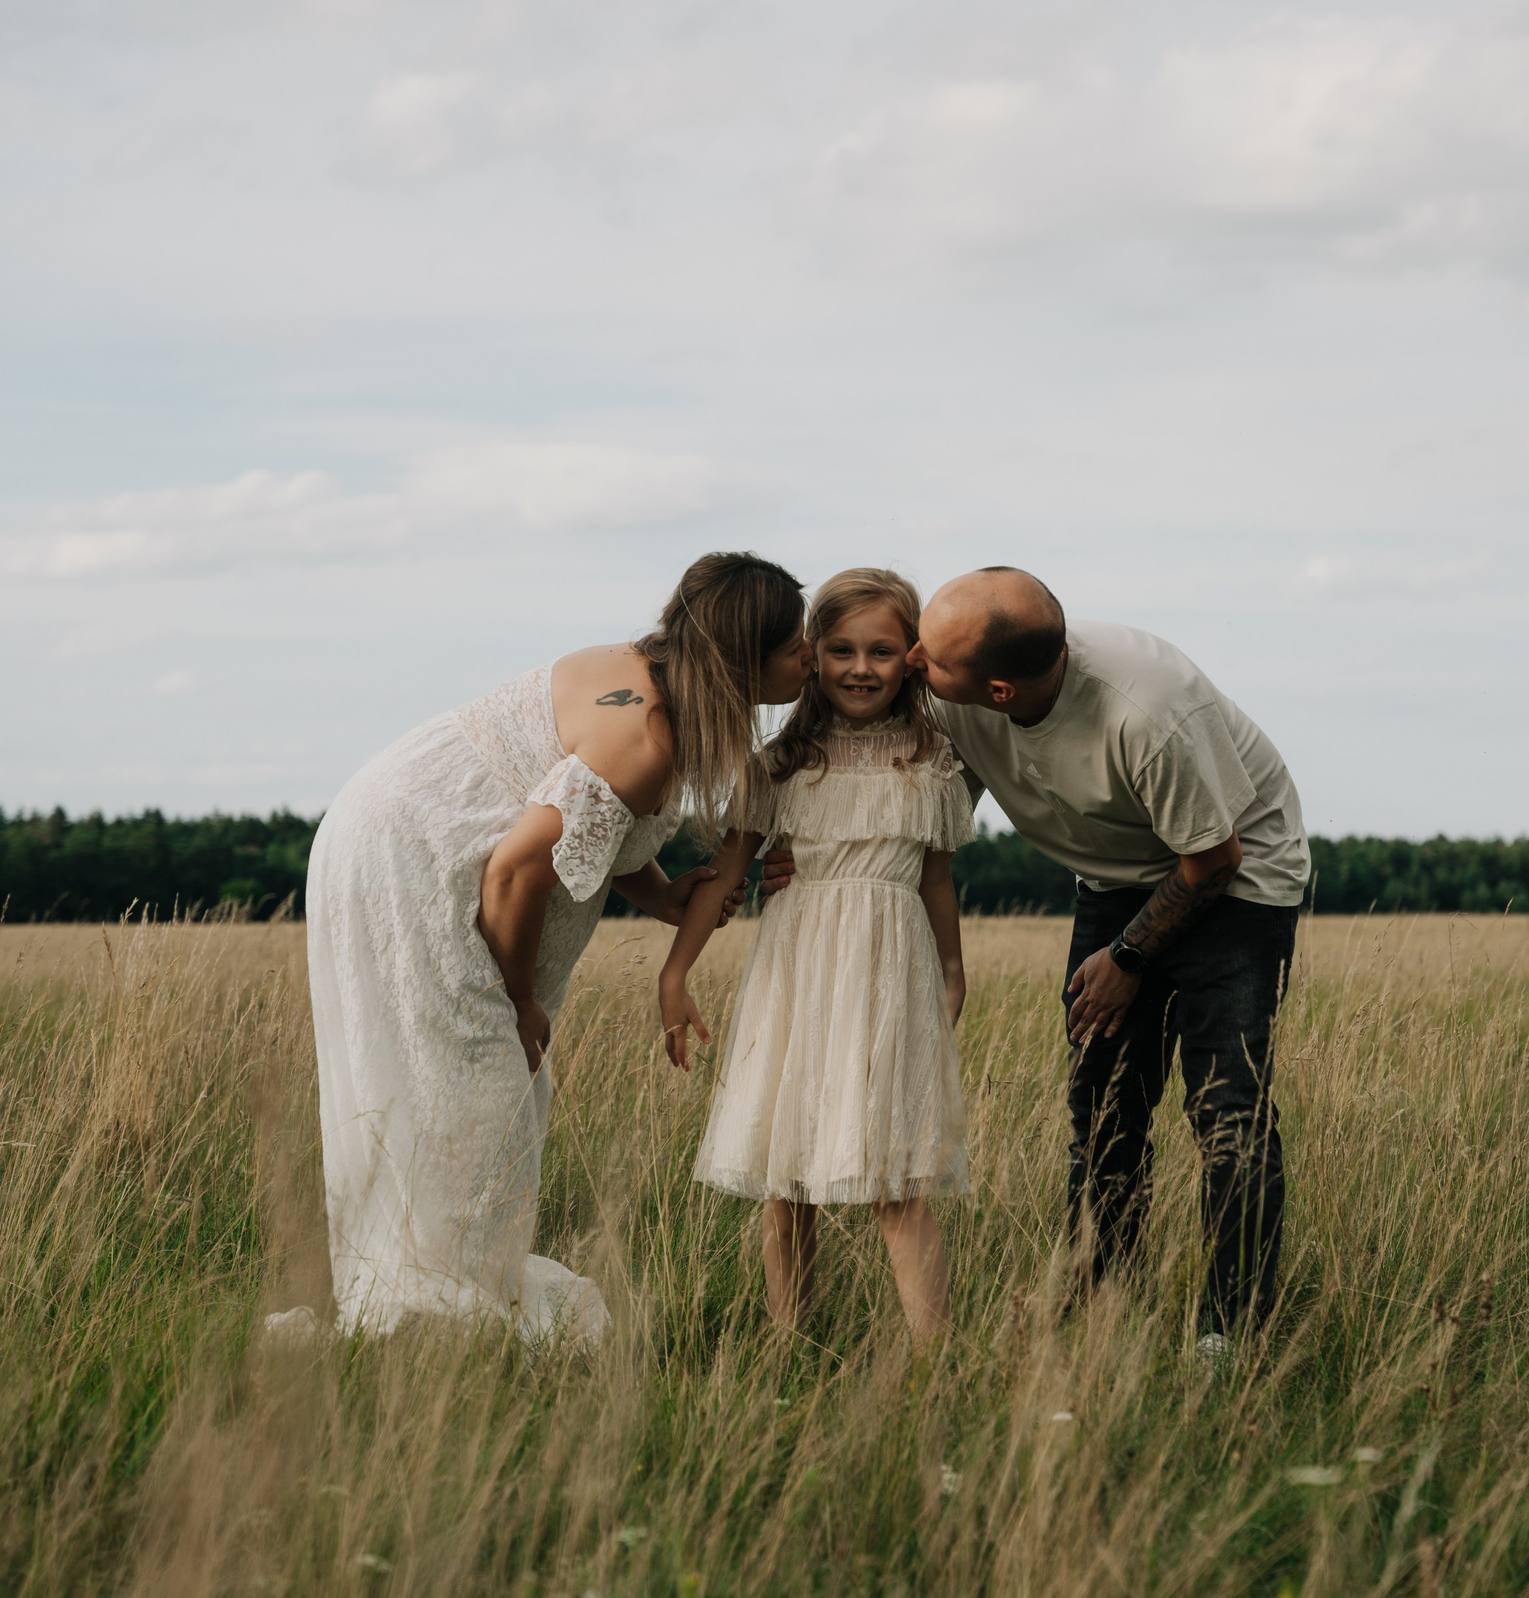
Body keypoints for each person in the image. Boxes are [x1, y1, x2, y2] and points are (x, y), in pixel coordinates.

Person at [292, 552, 810, 1345]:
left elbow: (598, 835)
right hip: (413, 866)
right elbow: (517, 864)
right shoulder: (644, 734)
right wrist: (520, 999)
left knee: (459, 1101)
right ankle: (428, 1322)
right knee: (476, 1092)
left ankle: (425, 1309)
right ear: (744, 658)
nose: (808, 657)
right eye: (794, 645)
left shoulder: (644, 673)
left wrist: (670, 897)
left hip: (386, 835)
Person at [910, 567, 1308, 1350]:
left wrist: (1126, 957)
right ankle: (1096, 1313)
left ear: (996, 689)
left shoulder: (1145, 712)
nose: (914, 661)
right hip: (1118, 876)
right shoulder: (951, 697)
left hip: (1238, 875)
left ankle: (1228, 1337)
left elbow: (1213, 858)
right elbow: (927, 818)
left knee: (1228, 1109)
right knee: (1102, 1104)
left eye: (932, 656)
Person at [659, 569, 973, 1342]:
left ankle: (939, 1359)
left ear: (912, 658)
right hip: (798, 972)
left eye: (881, 650)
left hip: (889, 974)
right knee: (786, 1165)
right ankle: (789, 1340)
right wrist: (677, 969)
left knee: (897, 1175)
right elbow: (730, 869)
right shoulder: (780, 762)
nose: (860, 667)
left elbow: (936, 877)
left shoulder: (930, 761)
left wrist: (953, 966)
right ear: (811, 654)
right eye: (840, 649)